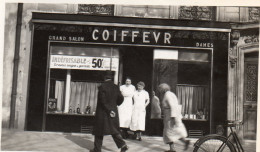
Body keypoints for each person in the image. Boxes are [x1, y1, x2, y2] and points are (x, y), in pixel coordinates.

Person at [90, 71, 128, 152]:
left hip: (103, 112)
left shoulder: (102, 87)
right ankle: (122, 145)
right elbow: (121, 98)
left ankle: (97, 149)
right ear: (111, 78)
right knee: (114, 130)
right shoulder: (116, 87)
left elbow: (102, 101)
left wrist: (109, 110)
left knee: (99, 131)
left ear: (104, 77)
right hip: (113, 112)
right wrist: (114, 106)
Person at [158, 83, 190, 152]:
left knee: (169, 132)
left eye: (160, 89)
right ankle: (174, 148)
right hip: (169, 116)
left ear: (163, 89)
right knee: (172, 132)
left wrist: (173, 117)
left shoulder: (167, 95)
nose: (159, 91)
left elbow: (173, 106)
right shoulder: (170, 94)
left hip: (170, 116)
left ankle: (181, 144)